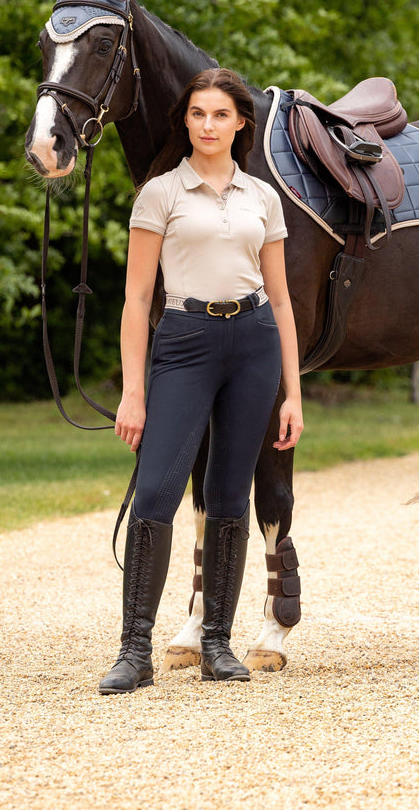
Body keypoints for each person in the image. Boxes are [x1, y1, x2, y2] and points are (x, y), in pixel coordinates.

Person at [99, 67, 303, 694]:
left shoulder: (262, 198)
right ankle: (134, 650)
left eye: (220, 115)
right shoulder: (159, 194)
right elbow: (137, 301)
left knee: (228, 494)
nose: (208, 125)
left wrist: (293, 393)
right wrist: (133, 391)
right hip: (184, 343)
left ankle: (218, 641)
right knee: (157, 489)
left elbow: (283, 296)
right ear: (184, 121)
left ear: (241, 122)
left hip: (254, 343)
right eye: (197, 114)